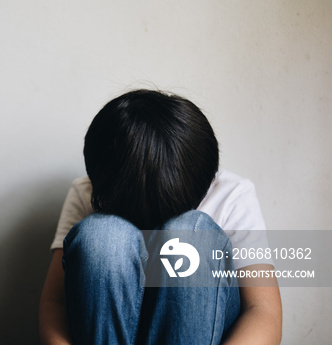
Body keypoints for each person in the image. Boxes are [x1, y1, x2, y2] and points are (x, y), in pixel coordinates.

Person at [38, 90, 282, 345]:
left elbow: (263, 312)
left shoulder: (231, 195)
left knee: (189, 235)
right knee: (104, 236)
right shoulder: (89, 190)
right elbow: (54, 302)